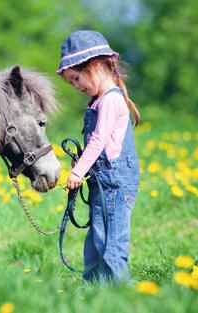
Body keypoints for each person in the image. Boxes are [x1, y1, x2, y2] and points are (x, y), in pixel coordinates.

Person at [56, 30, 141, 283]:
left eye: (77, 78)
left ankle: (120, 298)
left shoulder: (111, 100)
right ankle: (94, 294)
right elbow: (99, 147)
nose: (77, 86)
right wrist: (83, 162)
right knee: (95, 242)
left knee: (111, 247)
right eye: (72, 83)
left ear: (94, 65)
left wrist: (78, 171)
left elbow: (100, 139)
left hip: (114, 184)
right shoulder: (98, 101)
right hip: (101, 183)